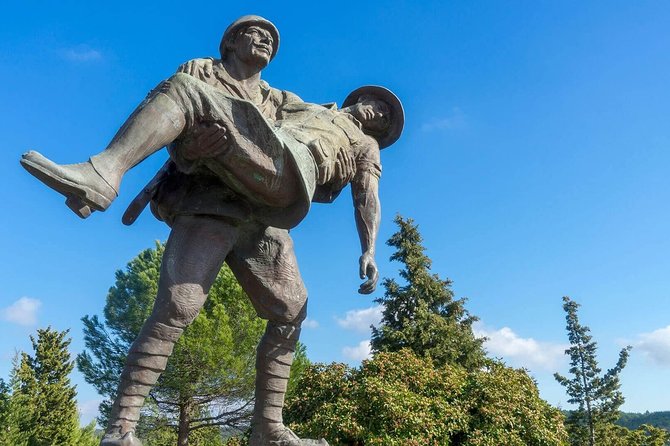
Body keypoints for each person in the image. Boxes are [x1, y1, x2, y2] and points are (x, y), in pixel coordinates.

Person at [20, 15, 403, 446]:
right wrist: (189, 145)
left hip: (271, 205)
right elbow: (190, 127)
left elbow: (367, 196)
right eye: (375, 103)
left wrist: (368, 249)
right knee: (179, 307)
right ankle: (122, 427)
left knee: (291, 311)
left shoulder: (349, 137)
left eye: (384, 117)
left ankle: (268, 428)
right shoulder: (292, 101)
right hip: (215, 201)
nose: (377, 112)